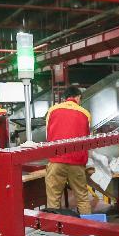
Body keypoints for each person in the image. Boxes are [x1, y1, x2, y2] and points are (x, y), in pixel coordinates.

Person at [44, 86, 92, 215]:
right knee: (82, 198)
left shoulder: (52, 110)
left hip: (56, 160)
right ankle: (87, 228)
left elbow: (48, 134)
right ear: (78, 97)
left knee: (53, 199)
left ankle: (53, 230)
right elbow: (87, 139)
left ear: (64, 98)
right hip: (77, 162)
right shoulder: (85, 113)